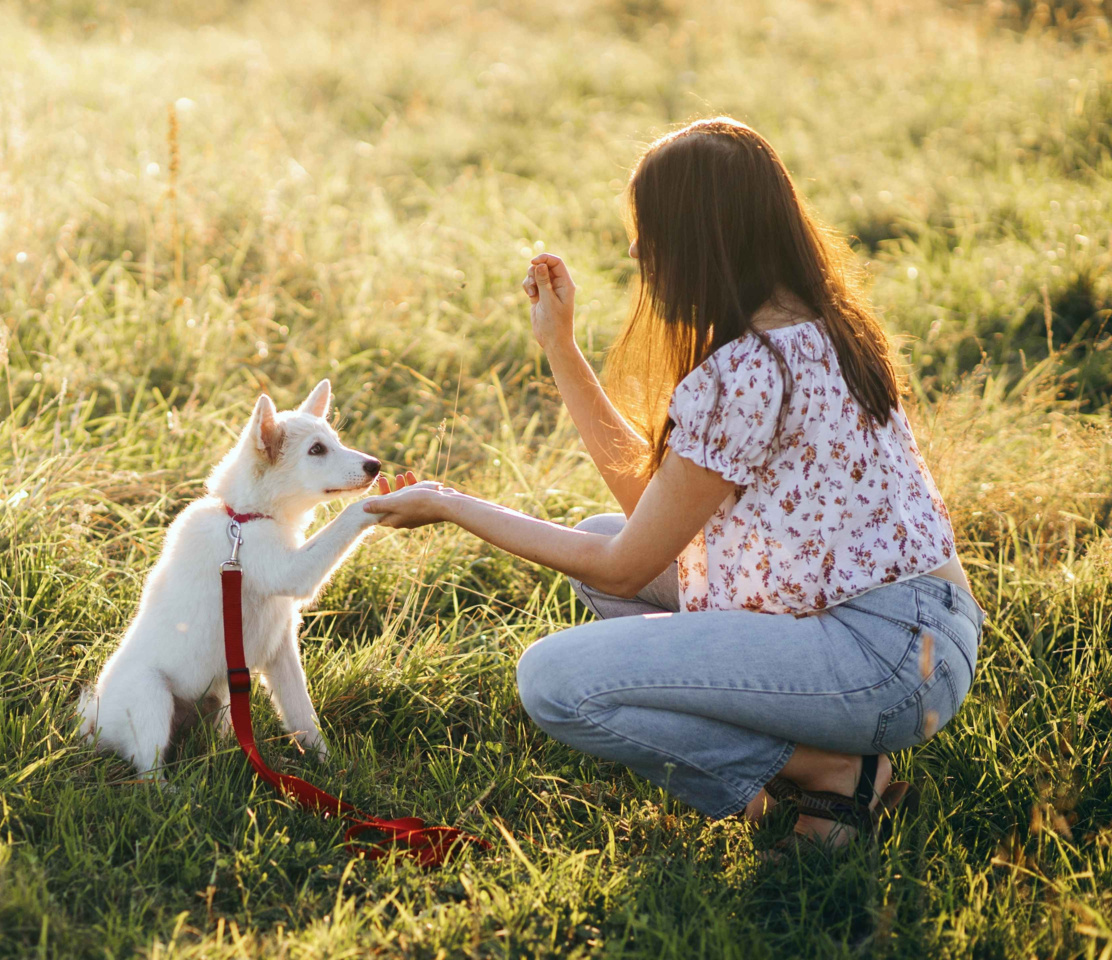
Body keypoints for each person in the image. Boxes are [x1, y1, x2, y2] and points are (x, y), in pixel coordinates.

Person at [363, 117, 984, 850]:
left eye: (647, 230)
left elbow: (627, 565)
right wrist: (560, 348)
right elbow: (648, 519)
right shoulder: (820, 327)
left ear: (699, 236)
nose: (634, 250)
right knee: (598, 536)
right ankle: (831, 766)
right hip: (920, 634)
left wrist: (448, 503)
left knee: (553, 682)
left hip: (883, 661)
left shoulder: (751, 370)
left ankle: (831, 772)